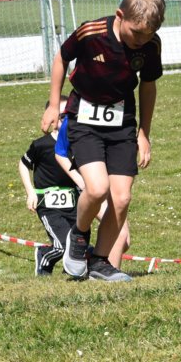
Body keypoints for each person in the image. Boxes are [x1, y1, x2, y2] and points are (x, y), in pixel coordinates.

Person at [40, 0, 165, 282]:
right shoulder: (91, 33)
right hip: (84, 120)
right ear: (120, 16)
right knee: (96, 189)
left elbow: (148, 86)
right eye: (136, 33)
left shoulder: (151, 45)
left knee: (121, 199)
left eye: (148, 35)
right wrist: (54, 104)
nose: (141, 40)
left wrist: (144, 133)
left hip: (122, 124)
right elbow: (61, 57)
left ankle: (99, 262)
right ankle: (78, 236)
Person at [54, 113, 132, 270]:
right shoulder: (74, 119)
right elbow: (60, 153)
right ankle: (104, 273)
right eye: (60, 115)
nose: (59, 121)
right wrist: (78, 179)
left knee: (125, 240)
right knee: (121, 234)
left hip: (111, 187)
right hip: (92, 188)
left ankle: (94, 264)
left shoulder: (115, 116)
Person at [18, 96, 78, 276]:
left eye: (69, 116)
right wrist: (30, 192)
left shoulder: (78, 144)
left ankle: (71, 271)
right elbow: (23, 164)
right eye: (61, 116)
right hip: (48, 205)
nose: (65, 120)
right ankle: (44, 255)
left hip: (74, 204)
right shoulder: (41, 145)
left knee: (77, 243)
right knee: (61, 245)